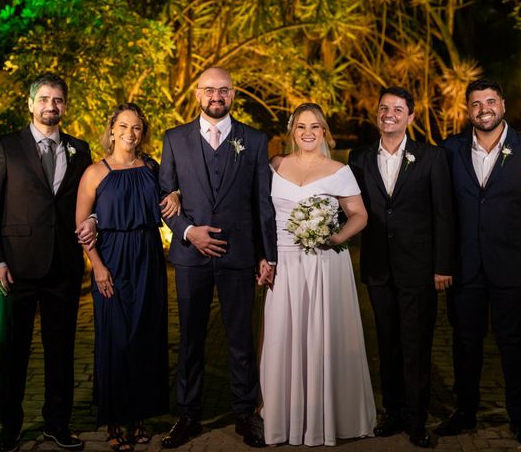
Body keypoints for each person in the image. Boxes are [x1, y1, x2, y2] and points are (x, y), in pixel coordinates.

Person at [158, 67, 277, 448]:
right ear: (197, 94)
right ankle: (188, 415)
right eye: (209, 90)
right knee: (191, 338)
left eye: (223, 90)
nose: (216, 96)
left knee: (240, 337)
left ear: (234, 93)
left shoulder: (255, 140)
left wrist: (267, 255)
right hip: (192, 256)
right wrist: (189, 231)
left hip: (239, 255)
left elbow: (263, 203)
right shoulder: (174, 139)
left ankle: (244, 413)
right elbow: (164, 196)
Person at [437, 78, 521, 448]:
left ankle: (520, 419)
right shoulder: (449, 150)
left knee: (515, 344)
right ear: (468, 110)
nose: (483, 108)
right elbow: (443, 213)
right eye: (475, 103)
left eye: (490, 101)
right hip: (465, 267)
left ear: (503, 105)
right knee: (465, 342)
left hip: (515, 267)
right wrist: (442, 263)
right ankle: (465, 412)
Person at [0, 73, 92, 452]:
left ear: (65, 105)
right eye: (43, 99)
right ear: (30, 103)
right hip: (16, 269)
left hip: (63, 266)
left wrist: (93, 221)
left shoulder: (80, 149)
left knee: (61, 351)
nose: (50, 106)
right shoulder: (5, 147)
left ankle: (56, 424)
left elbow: (88, 203)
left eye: (57, 100)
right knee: (11, 351)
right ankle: (9, 426)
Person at [260, 102, 376, 446]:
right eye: (301, 127)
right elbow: (263, 215)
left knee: (323, 336)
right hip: (284, 263)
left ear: (324, 131)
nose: (308, 133)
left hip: (324, 264)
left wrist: (334, 236)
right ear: (292, 132)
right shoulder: (275, 165)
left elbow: (359, 215)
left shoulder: (338, 170)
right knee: (282, 335)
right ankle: (283, 417)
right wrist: (263, 258)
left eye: (315, 127)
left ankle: (326, 416)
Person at [348, 87, 454, 448]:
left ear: (410, 117)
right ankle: (392, 412)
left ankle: (417, 418)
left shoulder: (432, 157)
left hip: (419, 268)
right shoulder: (359, 157)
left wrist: (442, 266)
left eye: (397, 109)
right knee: (388, 342)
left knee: (417, 343)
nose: (388, 113)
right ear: (376, 115)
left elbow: (444, 213)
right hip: (378, 267)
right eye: (383, 108)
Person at [75, 103, 179, 451]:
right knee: (116, 339)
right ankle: (114, 420)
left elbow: (170, 199)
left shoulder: (152, 168)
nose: (130, 133)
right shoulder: (95, 172)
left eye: (137, 128)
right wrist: (98, 266)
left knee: (146, 336)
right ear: (113, 129)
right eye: (124, 126)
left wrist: (176, 194)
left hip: (148, 255)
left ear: (142, 132)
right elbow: (82, 225)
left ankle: (139, 416)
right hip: (112, 258)